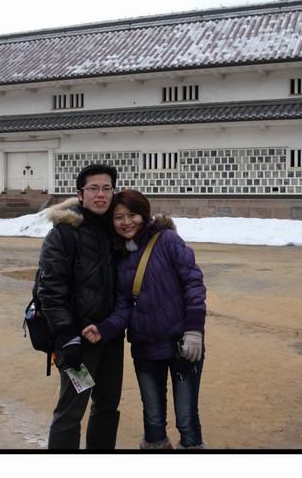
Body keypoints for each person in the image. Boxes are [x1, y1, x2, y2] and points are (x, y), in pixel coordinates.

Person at [81, 190, 207, 449]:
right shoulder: (120, 257)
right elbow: (124, 306)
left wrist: (194, 330)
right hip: (145, 348)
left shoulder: (168, 241)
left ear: (144, 214)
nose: (126, 222)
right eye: (118, 217)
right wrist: (103, 329)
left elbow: (193, 284)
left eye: (132, 215)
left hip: (182, 345)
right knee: (152, 420)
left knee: (187, 419)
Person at [36, 164, 124, 449]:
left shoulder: (115, 231)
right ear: (80, 194)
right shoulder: (63, 234)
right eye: (93, 189)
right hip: (77, 342)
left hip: (110, 338)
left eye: (107, 188)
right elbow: (50, 291)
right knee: (71, 412)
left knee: (107, 407)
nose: (101, 195)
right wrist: (66, 337)